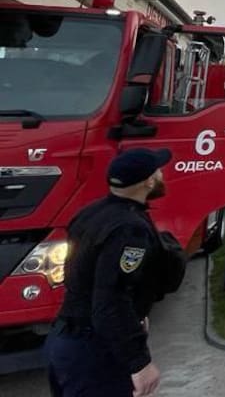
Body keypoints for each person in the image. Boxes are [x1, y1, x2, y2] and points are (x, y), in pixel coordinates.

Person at [45, 147, 187, 397]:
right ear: (149, 181)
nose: (163, 175)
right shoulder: (129, 230)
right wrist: (139, 362)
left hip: (64, 339)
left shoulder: (90, 213)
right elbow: (111, 300)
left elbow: (81, 275)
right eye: (159, 170)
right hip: (94, 352)